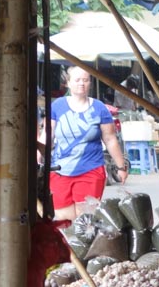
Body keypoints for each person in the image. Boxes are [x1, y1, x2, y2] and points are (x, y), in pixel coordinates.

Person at [45, 66, 128, 221]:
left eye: (85, 80)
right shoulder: (57, 106)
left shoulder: (99, 108)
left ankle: (84, 245)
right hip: (60, 170)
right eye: (77, 80)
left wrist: (121, 166)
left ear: (90, 83)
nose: (81, 84)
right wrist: (37, 156)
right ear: (68, 83)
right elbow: (47, 135)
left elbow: (110, 139)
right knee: (63, 219)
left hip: (90, 170)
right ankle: (68, 246)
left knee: (85, 220)